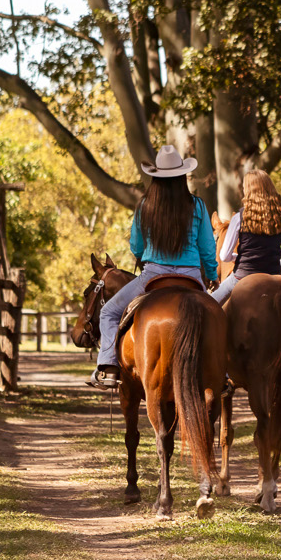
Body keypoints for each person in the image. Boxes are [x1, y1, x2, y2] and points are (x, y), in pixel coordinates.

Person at [91, 144, 219, 387]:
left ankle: (109, 366)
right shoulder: (198, 205)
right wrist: (212, 275)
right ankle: (221, 374)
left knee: (108, 312)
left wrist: (143, 255)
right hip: (191, 275)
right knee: (217, 317)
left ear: (156, 177)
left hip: (153, 275)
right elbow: (206, 248)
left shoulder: (145, 205)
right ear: (182, 176)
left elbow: (136, 246)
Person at [212, 171, 281, 392]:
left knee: (208, 306)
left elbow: (224, 256)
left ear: (248, 190)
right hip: (274, 275)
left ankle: (218, 370)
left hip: (241, 276)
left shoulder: (239, 217)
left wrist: (238, 258)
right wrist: (278, 269)